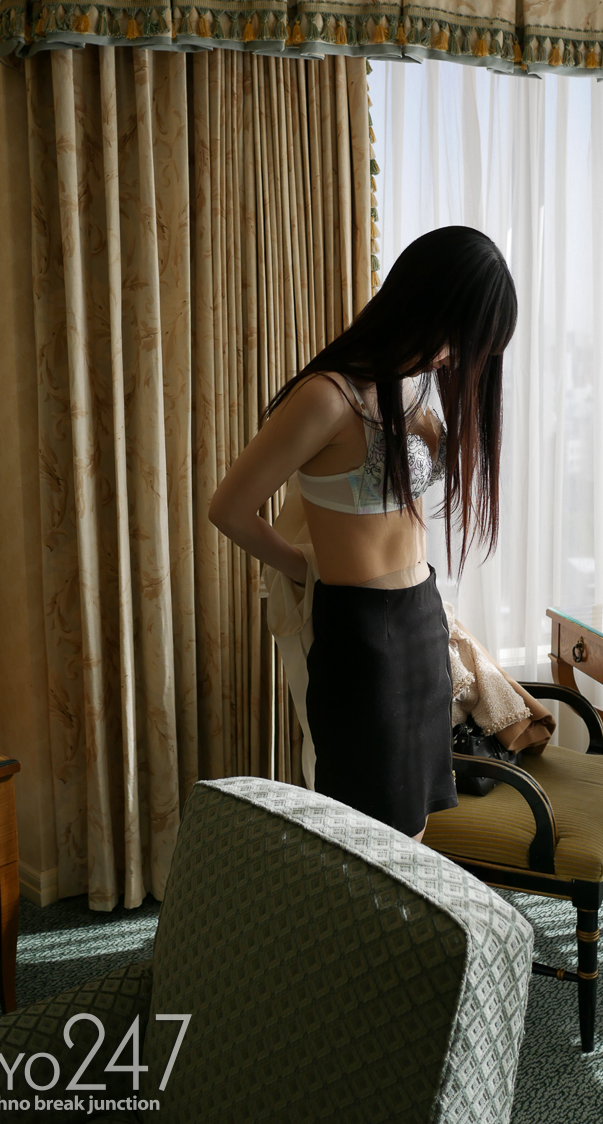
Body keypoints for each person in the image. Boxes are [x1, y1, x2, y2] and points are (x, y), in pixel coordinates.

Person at [208, 226, 518, 841]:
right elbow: (229, 509)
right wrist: (305, 569)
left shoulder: (414, 387)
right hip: (361, 637)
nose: (459, 358)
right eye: (461, 338)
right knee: (368, 835)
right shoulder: (327, 397)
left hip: (421, 620)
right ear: (424, 305)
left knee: (416, 826)